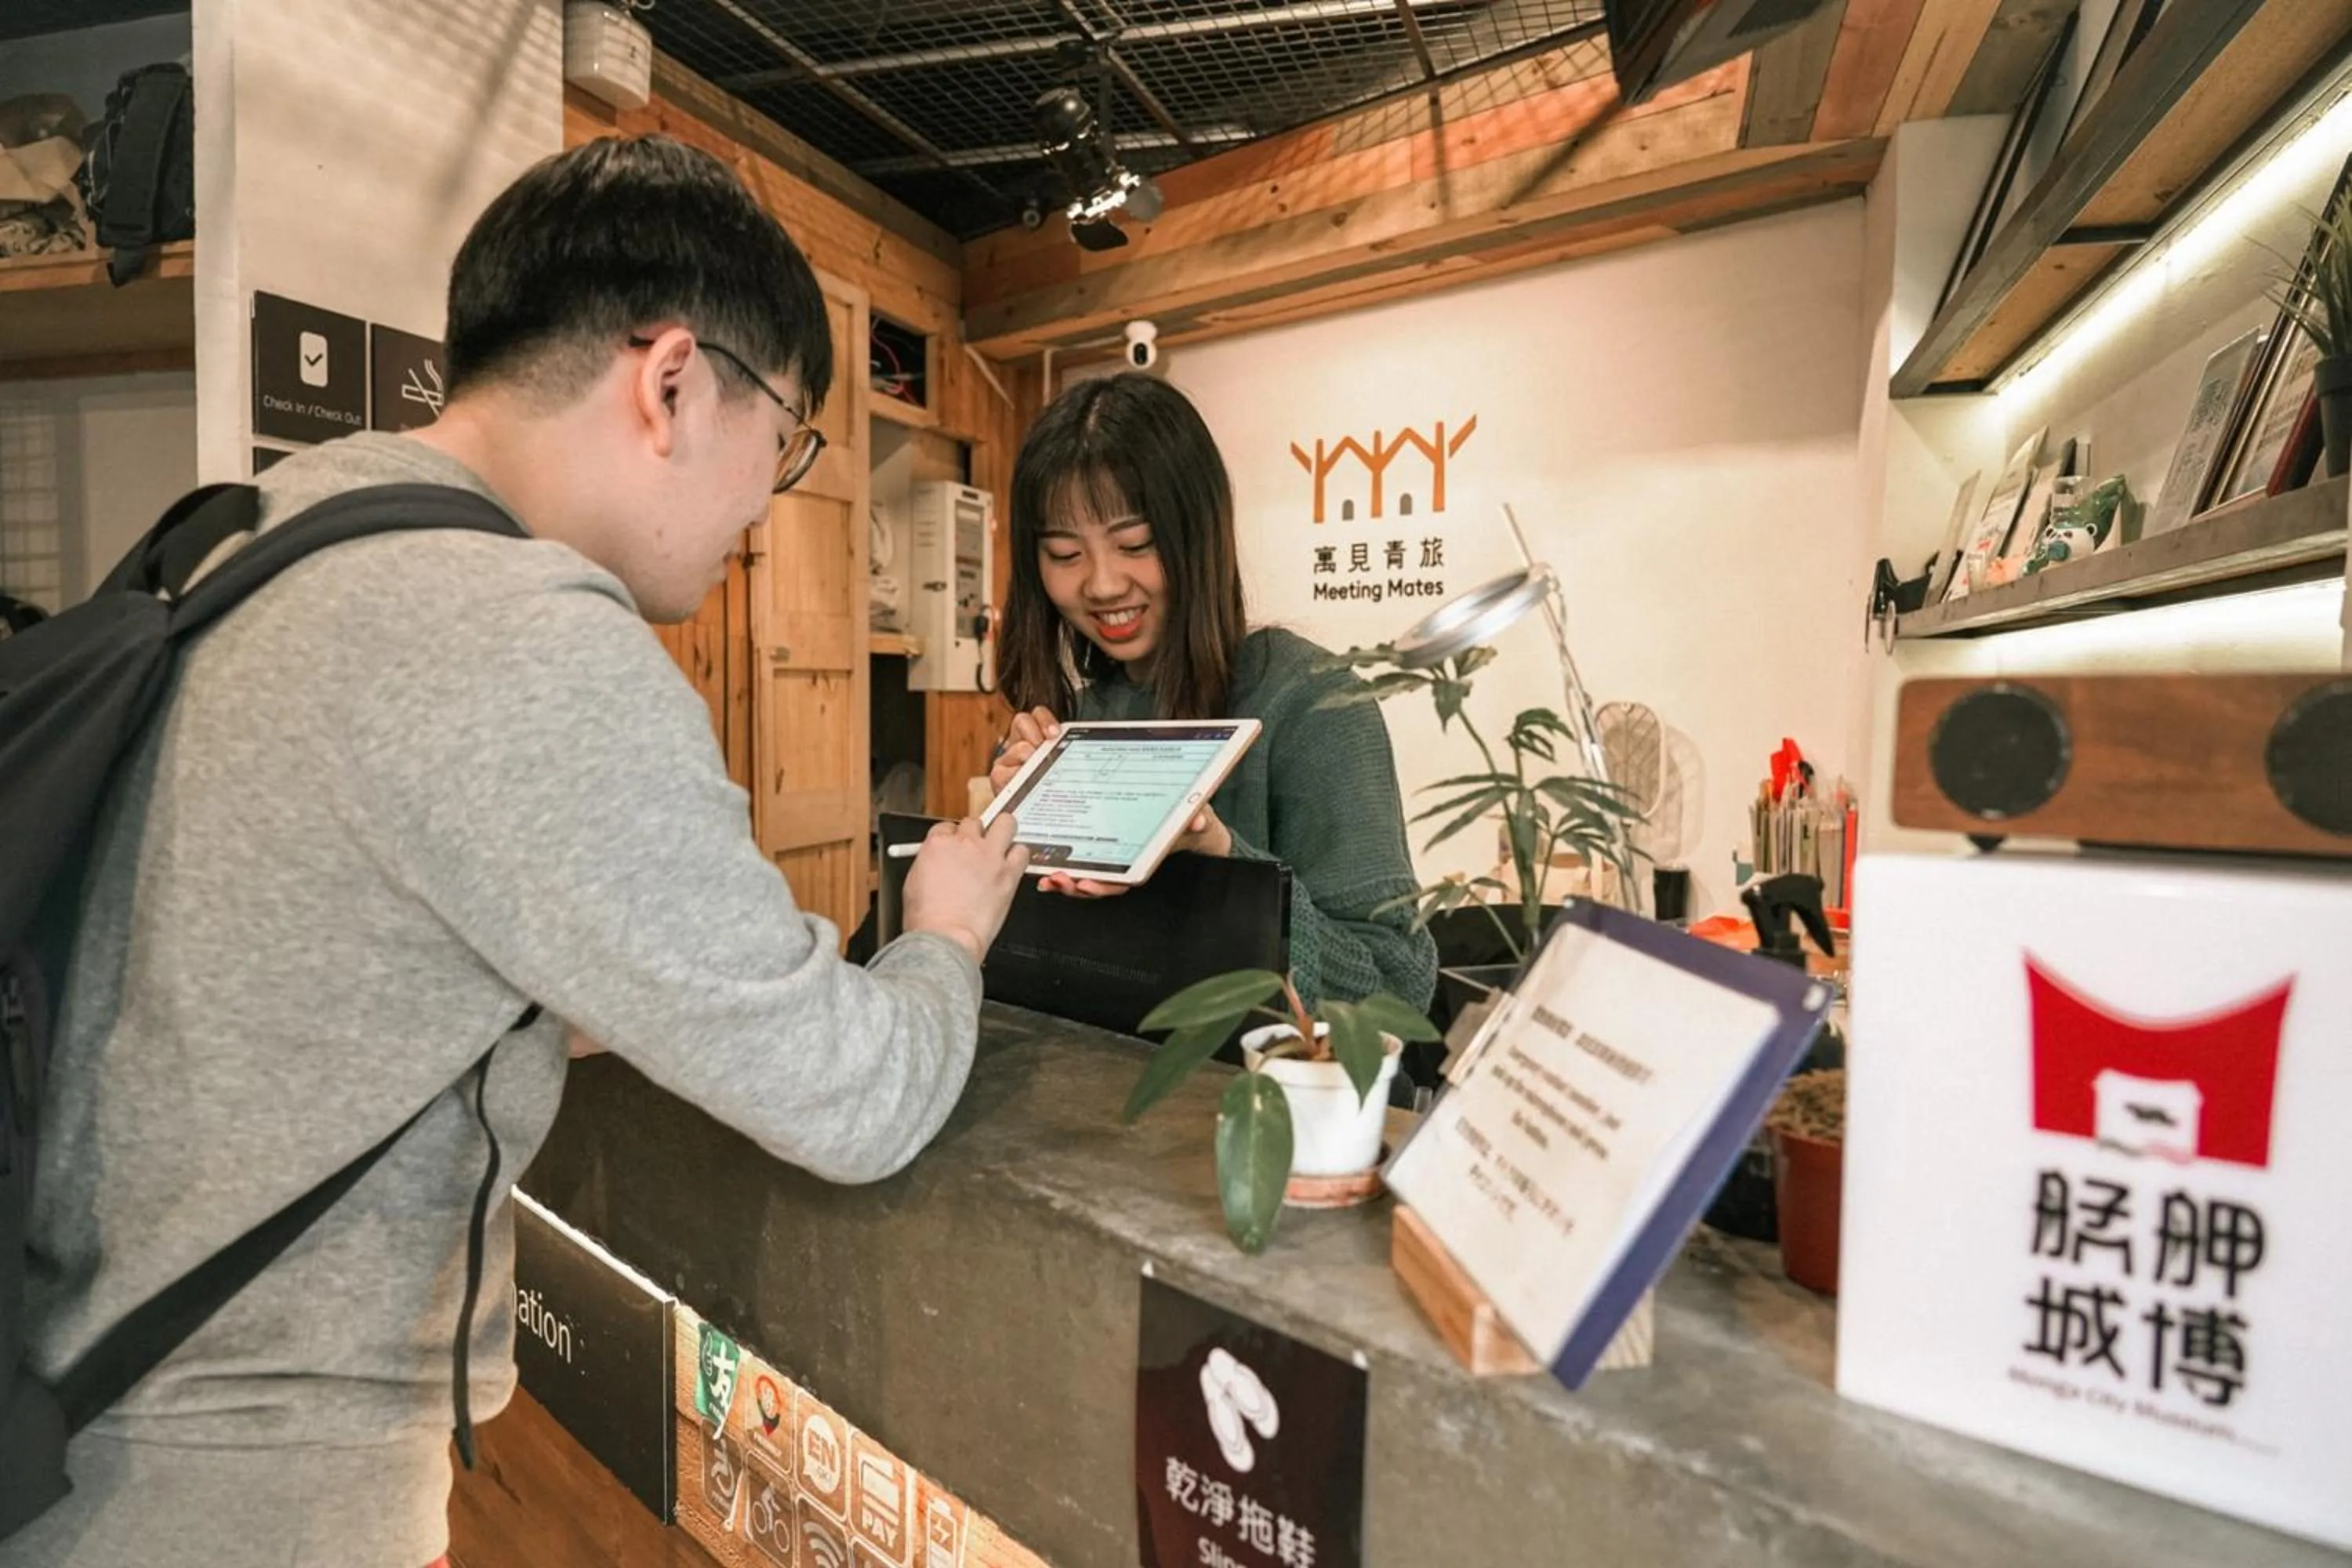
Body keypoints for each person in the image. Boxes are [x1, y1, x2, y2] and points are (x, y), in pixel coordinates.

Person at [6, 136, 1027, 1568]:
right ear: (672, 382)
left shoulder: (269, 527)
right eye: (786, 438)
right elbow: (857, 1095)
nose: (765, 507)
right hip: (240, 1501)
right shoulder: (525, 643)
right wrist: (949, 927)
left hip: (84, 1430)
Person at [990, 373, 1436, 1012]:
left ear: (1199, 532)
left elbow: (1396, 988)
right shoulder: (1071, 720)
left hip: (1254, 1099)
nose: (1103, 584)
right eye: (1065, 554)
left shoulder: (1312, 704)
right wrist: (1005, 833)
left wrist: (1220, 855)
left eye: (1135, 544)